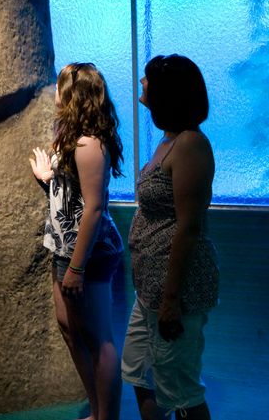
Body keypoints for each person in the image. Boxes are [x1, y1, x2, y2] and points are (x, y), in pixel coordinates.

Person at [121, 55, 218, 420]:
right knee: (140, 371)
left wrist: (172, 299)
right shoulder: (169, 139)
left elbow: (189, 227)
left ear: (169, 92)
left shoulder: (191, 144)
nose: (142, 82)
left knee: (180, 388)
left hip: (176, 291)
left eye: (148, 78)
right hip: (151, 288)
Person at [29, 62, 125, 420]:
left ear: (72, 94)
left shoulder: (89, 144)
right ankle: (97, 409)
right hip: (66, 249)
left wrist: (77, 268)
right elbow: (75, 192)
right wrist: (50, 177)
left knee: (99, 339)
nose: (55, 90)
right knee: (70, 329)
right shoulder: (72, 136)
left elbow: (94, 208)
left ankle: (106, 416)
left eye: (59, 85)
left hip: (88, 254)